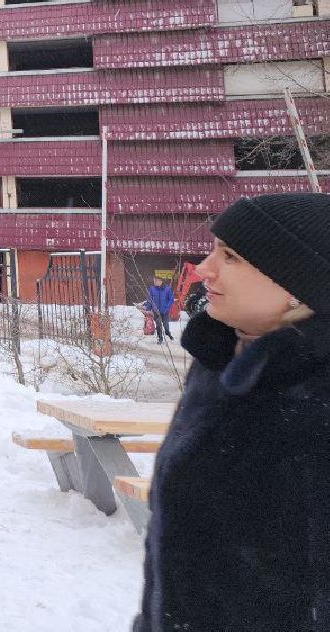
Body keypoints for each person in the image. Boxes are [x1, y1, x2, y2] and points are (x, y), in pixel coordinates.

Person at [136, 192, 330, 632]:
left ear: (297, 284)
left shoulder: (317, 401)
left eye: (232, 257)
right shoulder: (217, 363)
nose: (205, 267)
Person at [145, 274, 175, 344]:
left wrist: (166, 308)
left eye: (156, 281)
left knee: (165, 325)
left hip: (165, 311)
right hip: (156, 311)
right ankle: (160, 338)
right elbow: (149, 299)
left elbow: (171, 299)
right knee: (158, 325)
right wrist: (148, 308)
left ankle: (168, 333)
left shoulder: (167, 289)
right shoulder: (152, 289)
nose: (155, 282)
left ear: (161, 281)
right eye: (154, 281)